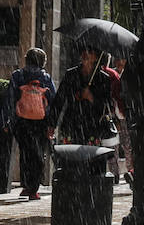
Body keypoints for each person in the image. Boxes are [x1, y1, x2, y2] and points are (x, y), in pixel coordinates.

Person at [6, 48, 56, 200]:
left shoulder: (17, 76)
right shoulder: (45, 77)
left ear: (27, 59)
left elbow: (10, 99)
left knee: (26, 152)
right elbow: (53, 100)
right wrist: (52, 122)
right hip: (40, 122)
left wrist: (8, 120)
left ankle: (27, 185)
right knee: (39, 153)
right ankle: (33, 187)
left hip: (21, 121)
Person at [51, 45, 117, 148]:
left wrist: (91, 97)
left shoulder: (104, 79)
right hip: (71, 125)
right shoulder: (71, 75)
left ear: (96, 57)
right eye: (83, 50)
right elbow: (59, 100)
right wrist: (51, 124)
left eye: (90, 51)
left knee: (92, 162)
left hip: (93, 128)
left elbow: (108, 107)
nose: (85, 53)